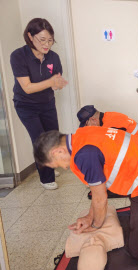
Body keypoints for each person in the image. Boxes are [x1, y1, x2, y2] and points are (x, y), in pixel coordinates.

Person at [33, 127, 138, 259]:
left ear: (58, 151)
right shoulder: (82, 134)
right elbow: (97, 193)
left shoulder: (84, 154)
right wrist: (89, 217)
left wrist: (95, 227)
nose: (63, 167)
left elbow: (101, 199)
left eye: (56, 164)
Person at [10, 18, 68, 190]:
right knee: (40, 140)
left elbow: (56, 80)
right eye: (42, 40)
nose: (47, 44)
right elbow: (27, 88)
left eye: (50, 40)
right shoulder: (18, 56)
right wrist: (51, 82)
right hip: (26, 106)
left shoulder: (53, 57)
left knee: (52, 138)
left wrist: (55, 83)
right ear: (30, 36)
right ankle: (46, 178)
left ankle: (48, 166)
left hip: (47, 103)